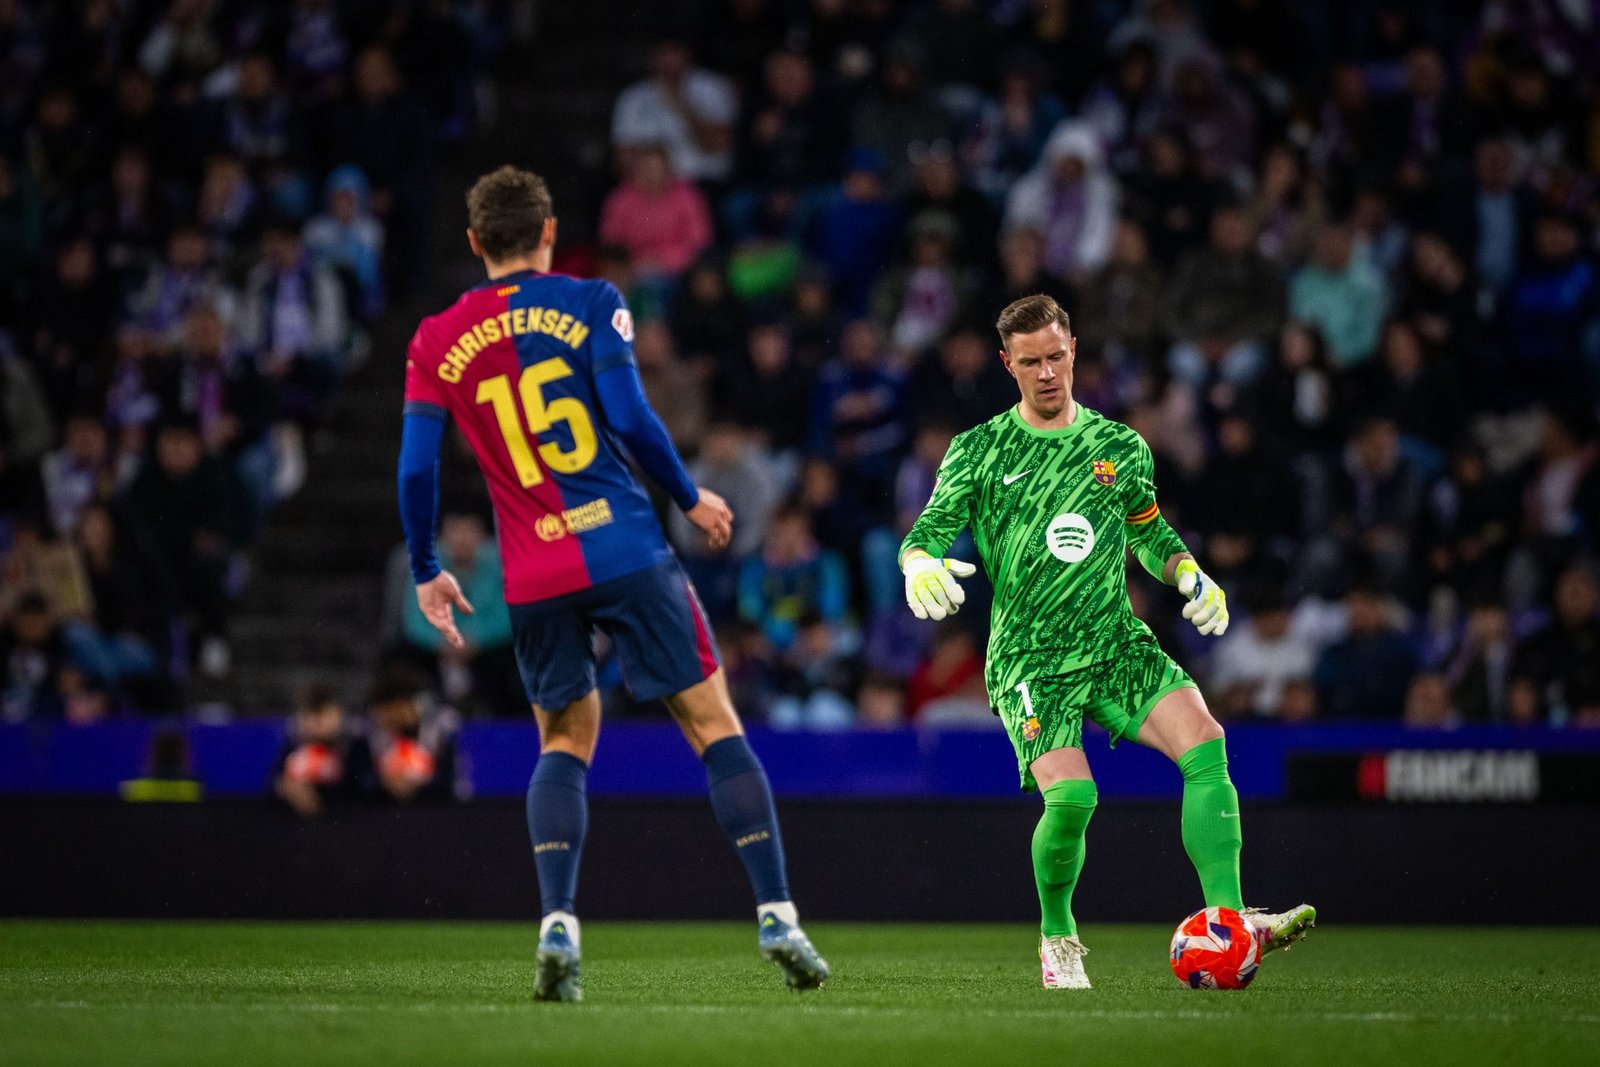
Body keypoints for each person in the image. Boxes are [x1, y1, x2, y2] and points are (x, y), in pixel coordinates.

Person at [396, 166, 828, 1001]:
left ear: (476, 242)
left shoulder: (432, 339)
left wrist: (424, 567)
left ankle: (558, 919)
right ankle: (776, 909)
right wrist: (690, 495)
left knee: (564, 742)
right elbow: (630, 417)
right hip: (625, 549)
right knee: (712, 723)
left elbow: (417, 468)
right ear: (550, 232)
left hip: (531, 573)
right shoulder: (592, 301)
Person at [896, 294, 1314, 990]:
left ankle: (1233, 919)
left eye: (1056, 356)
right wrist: (918, 564)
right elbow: (927, 531)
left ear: (1074, 350)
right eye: (1030, 361)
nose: (1047, 372)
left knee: (1206, 742)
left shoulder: (1119, 447)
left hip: (1115, 640)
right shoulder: (979, 449)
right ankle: (1058, 936)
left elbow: (1148, 530)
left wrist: (1190, 574)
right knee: (1073, 799)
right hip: (1031, 657)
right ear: (1008, 364)